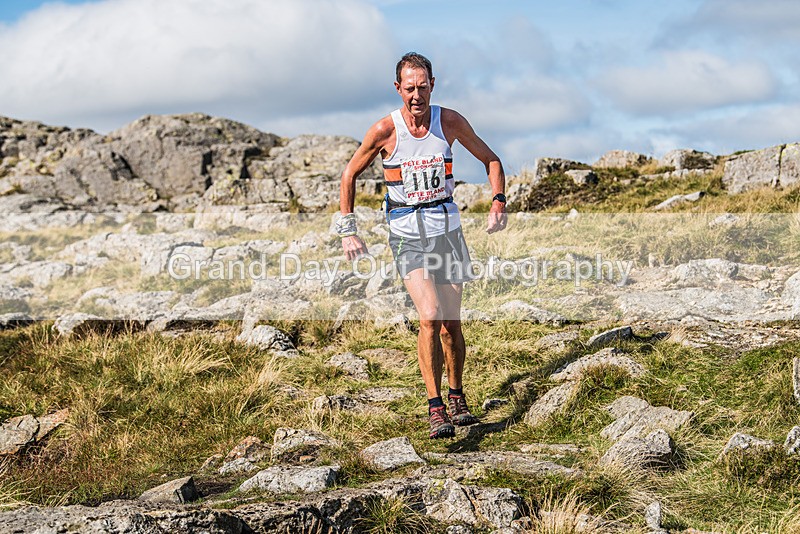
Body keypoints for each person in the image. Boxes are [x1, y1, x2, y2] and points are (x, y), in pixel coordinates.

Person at [338, 52, 507, 439]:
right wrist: (348, 229)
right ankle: (435, 408)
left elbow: (492, 160)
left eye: (423, 87)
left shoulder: (448, 121)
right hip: (407, 234)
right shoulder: (384, 130)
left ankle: (457, 396)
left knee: (450, 324)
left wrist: (498, 201)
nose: (417, 95)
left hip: (447, 231)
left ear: (433, 84)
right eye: (409, 88)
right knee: (429, 315)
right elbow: (349, 175)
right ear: (398, 88)